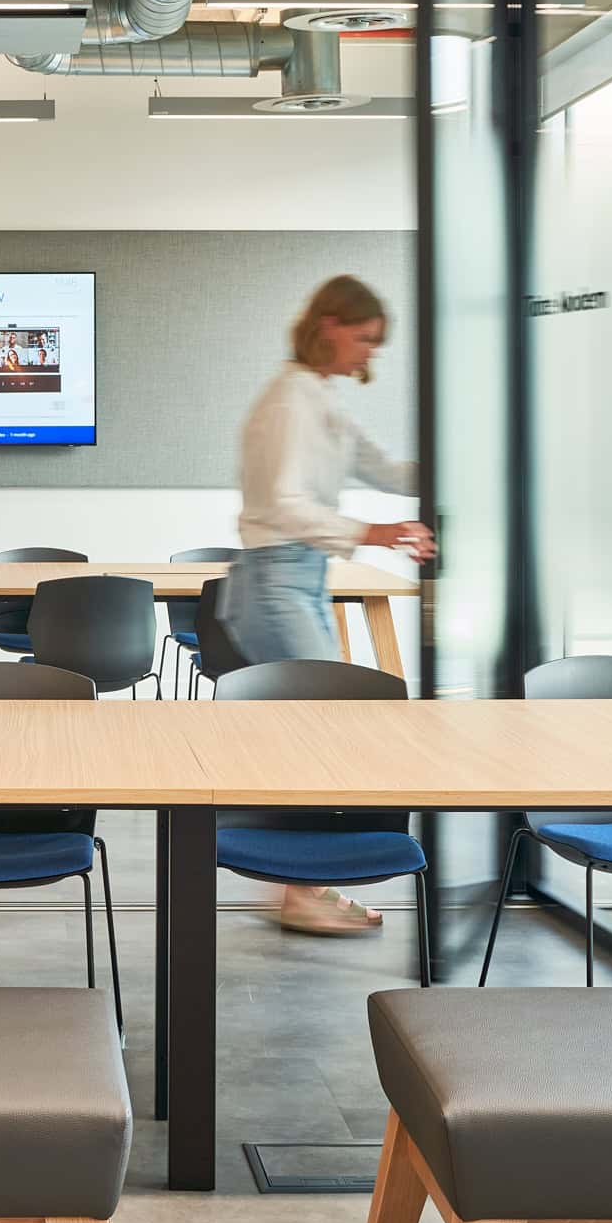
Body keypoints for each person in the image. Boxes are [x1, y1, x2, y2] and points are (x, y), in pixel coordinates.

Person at [222, 274, 436, 936]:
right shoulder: (290, 400)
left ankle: (305, 884)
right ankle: (302, 887)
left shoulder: (322, 398)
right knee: (321, 728)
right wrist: (371, 533)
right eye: (365, 339)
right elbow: (285, 504)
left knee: (313, 730)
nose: (370, 354)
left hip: (299, 575)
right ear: (331, 324)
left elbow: (386, 469)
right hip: (275, 578)